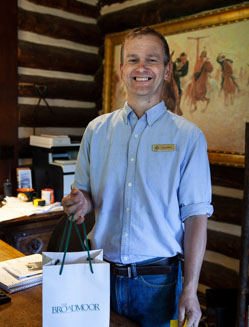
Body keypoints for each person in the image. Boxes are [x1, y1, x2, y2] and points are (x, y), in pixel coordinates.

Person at [62, 27, 213, 327]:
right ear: (121, 70)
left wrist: (191, 290)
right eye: (133, 60)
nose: (141, 68)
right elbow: (86, 196)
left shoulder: (188, 138)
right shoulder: (96, 130)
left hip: (158, 282)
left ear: (168, 71)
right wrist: (80, 203)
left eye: (152, 60)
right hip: (98, 275)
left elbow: (196, 218)